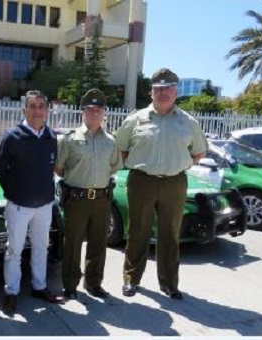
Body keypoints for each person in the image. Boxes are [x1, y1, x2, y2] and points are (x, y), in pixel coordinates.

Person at [114, 68, 207, 300]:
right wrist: (145, 166)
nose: (163, 93)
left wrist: (178, 165)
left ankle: (169, 284)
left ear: (176, 93)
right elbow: (121, 149)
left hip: (174, 183)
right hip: (142, 181)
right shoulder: (135, 119)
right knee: (138, 232)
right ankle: (131, 279)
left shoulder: (188, 122)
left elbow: (198, 152)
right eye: (158, 89)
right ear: (151, 93)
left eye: (168, 89)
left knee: (170, 234)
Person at [0, 90, 64, 315]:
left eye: (41, 106)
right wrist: (15, 192)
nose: (37, 110)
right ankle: (11, 291)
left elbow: (51, 167)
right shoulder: (12, 136)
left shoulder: (51, 137)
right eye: (32, 106)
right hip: (18, 206)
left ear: (46, 110)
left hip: (44, 205)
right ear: (24, 109)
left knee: (41, 247)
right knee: (14, 250)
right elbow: (1, 170)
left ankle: (39, 286)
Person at [55, 88, 122, 300]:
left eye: (99, 110)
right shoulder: (68, 139)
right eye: (90, 110)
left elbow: (114, 166)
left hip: (102, 199)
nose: (94, 114)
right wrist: (78, 178)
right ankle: (70, 284)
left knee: (98, 244)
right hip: (77, 199)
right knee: (73, 244)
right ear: (82, 112)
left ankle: (94, 283)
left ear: (104, 114)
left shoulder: (111, 141)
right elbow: (58, 167)